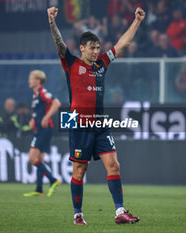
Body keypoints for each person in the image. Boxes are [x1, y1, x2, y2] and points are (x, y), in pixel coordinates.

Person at [47, 5, 145, 225]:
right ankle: (77, 214)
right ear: (82, 48)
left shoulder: (102, 63)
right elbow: (58, 43)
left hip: (100, 125)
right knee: (80, 170)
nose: (95, 51)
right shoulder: (71, 63)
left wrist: (137, 21)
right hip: (79, 125)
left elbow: (122, 44)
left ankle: (120, 212)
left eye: (97, 47)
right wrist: (52, 22)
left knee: (114, 165)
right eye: (92, 48)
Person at [23, 70, 61, 197]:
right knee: (40, 159)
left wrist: (46, 117)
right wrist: (33, 119)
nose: (29, 80)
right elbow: (39, 110)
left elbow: (57, 103)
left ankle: (53, 180)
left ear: (38, 81)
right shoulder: (35, 95)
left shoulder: (42, 92)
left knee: (32, 158)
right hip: (41, 129)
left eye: (31, 78)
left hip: (43, 130)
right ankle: (39, 189)